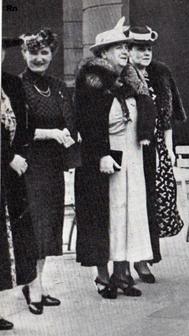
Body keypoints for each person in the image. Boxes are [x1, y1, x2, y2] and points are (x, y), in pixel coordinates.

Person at [75, 18, 153, 298]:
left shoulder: (132, 80)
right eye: (116, 46)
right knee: (105, 215)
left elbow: (145, 112)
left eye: (125, 45)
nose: (123, 50)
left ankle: (122, 273)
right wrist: (102, 155)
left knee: (128, 214)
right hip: (104, 159)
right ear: (102, 53)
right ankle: (103, 276)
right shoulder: (92, 81)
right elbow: (88, 124)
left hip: (131, 155)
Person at [19, 28, 76, 315]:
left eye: (44, 53)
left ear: (52, 54)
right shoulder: (18, 87)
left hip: (53, 165)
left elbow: (70, 119)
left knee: (50, 227)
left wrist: (67, 134)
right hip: (29, 166)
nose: (39, 58)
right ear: (24, 54)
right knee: (35, 228)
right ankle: (33, 286)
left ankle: (36, 283)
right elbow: (16, 129)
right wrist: (52, 133)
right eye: (33, 52)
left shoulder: (57, 85)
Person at [126, 25, 187, 284]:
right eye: (140, 49)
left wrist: (169, 149)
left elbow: (167, 119)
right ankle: (123, 262)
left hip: (156, 147)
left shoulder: (160, 73)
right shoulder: (121, 75)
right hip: (130, 147)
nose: (145, 53)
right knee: (132, 203)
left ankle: (144, 259)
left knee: (152, 202)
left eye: (148, 48)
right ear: (128, 50)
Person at [0, 37, 37, 330]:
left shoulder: (10, 83)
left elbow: (24, 123)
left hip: (10, 175)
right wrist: (8, 156)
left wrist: (20, 154)